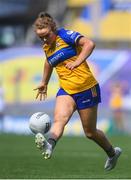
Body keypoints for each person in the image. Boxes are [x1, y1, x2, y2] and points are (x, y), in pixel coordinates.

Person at [33, 12, 122, 171]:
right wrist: (44, 83)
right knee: (60, 119)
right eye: (41, 37)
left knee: (90, 132)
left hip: (87, 88)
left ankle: (112, 153)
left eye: (46, 35)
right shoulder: (47, 47)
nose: (44, 40)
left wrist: (77, 62)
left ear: (53, 29)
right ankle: (49, 144)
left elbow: (89, 44)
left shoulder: (66, 35)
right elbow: (48, 62)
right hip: (66, 89)